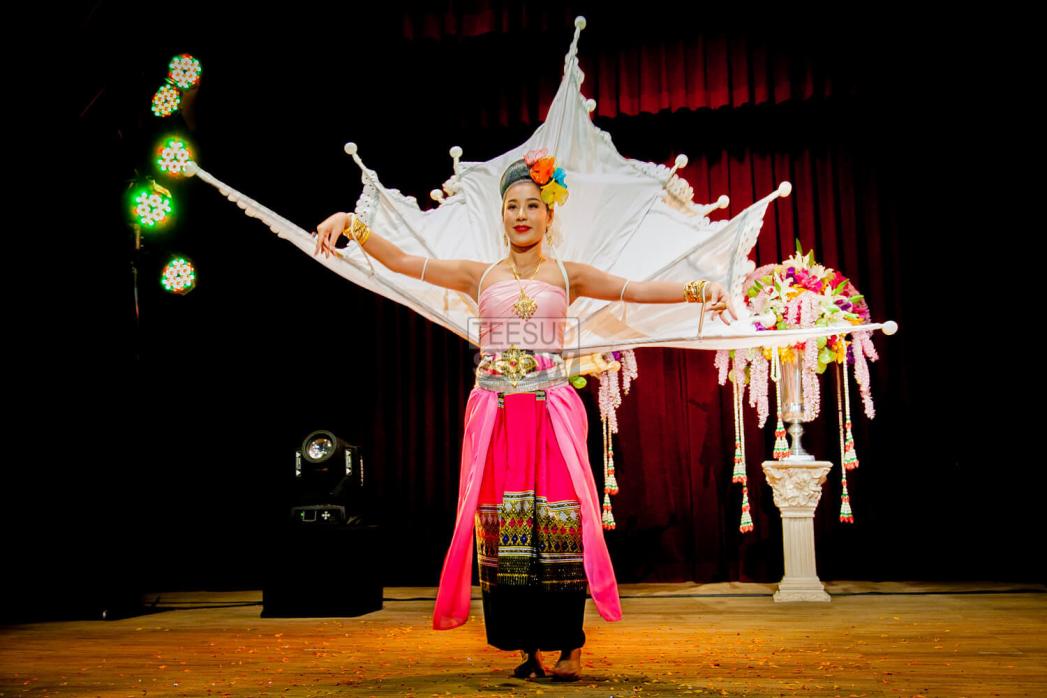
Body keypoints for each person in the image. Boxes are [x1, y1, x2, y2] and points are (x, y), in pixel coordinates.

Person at [312, 152, 737, 681]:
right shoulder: (478, 275)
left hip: (550, 414)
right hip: (496, 416)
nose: (521, 215)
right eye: (512, 206)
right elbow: (402, 262)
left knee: (557, 524)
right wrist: (350, 224)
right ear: (501, 214)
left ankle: (570, 646)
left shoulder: (568, 275)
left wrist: (702, 290)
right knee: (507, 529)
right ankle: (527, 647)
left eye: (532, 205)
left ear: (549, 214)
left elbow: (636, 289)